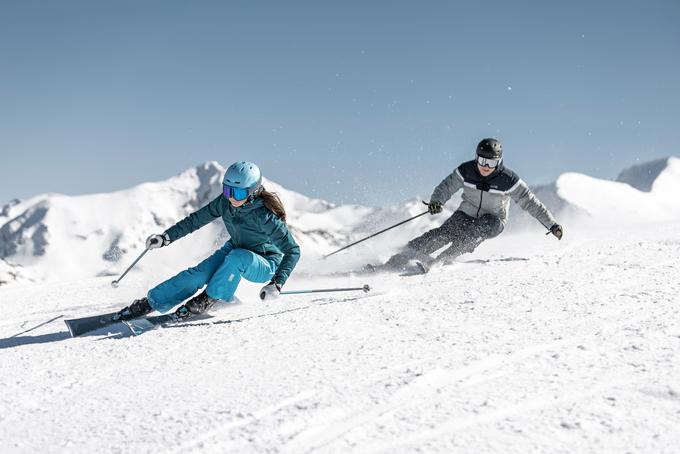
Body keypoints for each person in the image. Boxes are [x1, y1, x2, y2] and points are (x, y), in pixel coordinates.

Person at [113, 161, 300, 321]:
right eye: (228, 190)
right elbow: (196, 220)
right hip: (235, 249)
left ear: (253, 191)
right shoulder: (225, 202)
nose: (232, 198)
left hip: (266, 263)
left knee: (237, 258)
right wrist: (166, 237)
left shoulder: (265, 216)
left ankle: (211, 299)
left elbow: (293, 250)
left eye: (239, 194)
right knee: (197, 275)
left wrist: (276, 283)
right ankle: (151, 302)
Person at [379, 138, 563, 272]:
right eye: (482, 160)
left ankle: (440, 261)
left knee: (474, 232)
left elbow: (531, 203)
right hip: (466, 212)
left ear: (499, 162)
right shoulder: (466, 171)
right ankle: (398, 259)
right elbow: (446, 186)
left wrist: (552, 224)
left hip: (494, 220)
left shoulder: (509, 180)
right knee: (443, 234)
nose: (485, 166)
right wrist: (437, 201)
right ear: (476, 158)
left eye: (491, 162)